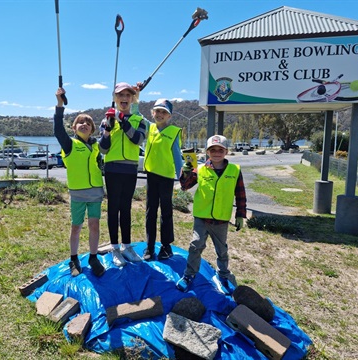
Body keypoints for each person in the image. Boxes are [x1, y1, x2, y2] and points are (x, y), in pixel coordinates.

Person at [176, 134, 247, 294]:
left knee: (222, 250)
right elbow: (185, 186)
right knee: (196, 246)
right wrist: (185, 173)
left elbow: (240, 193)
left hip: (221, 220)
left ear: (226, 151)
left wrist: (240, 214)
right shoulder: (200, 169)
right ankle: (189, 275)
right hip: (202, 218)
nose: (216, 153)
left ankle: (222, 275)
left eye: (220, 149)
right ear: (207, 152)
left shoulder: (234, 171)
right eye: (212, 150)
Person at [54, 87, 105, 277]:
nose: (84, 124)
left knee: (94, 225)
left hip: (96, 193)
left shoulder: (97, 146)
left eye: (88, 123)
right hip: (77, 193)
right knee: (76, 227)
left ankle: (93, 257)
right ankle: (73, 258)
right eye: (79, 122)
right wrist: (60, 105)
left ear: (92, 129)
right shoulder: (69, 145)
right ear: (74, 128)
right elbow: (58, 130)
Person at [99, 82, 147, 267]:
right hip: (112, 169)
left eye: (128, 95)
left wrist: (122, 120)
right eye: (120, 96)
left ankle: (127, 246)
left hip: (129, 170)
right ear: (115, 99)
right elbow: (103, 149)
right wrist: (108, 130)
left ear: (132, 98)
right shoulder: (106, 120)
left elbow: (137, 139)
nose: (124, 98)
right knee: (113, 209)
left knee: (126, 208)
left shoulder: (138, 120)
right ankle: (115, 248)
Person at [143, 99, 183, 261]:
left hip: (166, 178)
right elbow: (137, 115)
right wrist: (136, 98)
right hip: (151, 176)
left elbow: (177, 157)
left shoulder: (173, 132)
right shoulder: (150, 128)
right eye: (157, 111)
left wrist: (183, 177)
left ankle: (166, 246)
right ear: (152, 113)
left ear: (169, 116)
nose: (160, 114)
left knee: (166, 212)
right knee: (150, 212)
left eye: (163, 112)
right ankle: (150, 247)